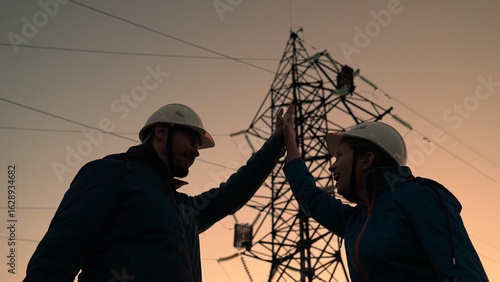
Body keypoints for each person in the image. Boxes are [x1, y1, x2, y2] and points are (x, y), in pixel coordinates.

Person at [24, 103, 293, 282]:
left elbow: (234, 191)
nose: (196, 151)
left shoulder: (185, 208)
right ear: (162, 132)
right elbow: (59, 253)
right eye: (191, 139)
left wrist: (276, 144)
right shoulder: (112, 173)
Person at [281, 108, 489, 281]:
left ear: (366, 160)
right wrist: (289, 141)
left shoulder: (421, 197)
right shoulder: (355, 220)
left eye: (340, 155)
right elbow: (310, 198)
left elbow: (463, 274)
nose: (332, 167)